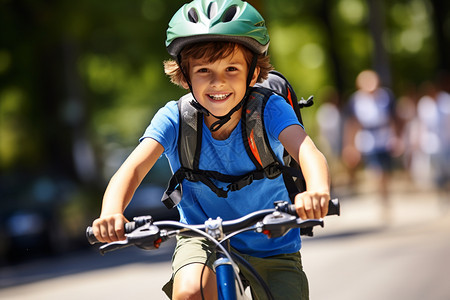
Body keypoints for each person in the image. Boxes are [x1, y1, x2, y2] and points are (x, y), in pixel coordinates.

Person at [91, 1, 331, 299]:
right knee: (190, 292)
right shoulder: (175, 118)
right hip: (201, 236)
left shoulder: (269, 109)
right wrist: (111, 212)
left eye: (232, 68)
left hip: (271, 239)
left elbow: (308, 151)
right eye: (204, 70)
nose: (218, 81)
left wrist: (317, 190)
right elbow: (133, 168)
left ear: (254, 73)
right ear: (185, 75)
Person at [342, 69, 397, 220]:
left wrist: (396, 138)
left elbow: (393, 119)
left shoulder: (385, 97)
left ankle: (386, 197)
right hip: (367, 139)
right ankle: (383, 202)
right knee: (376, 172)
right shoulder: (356, 100)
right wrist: (350, 146)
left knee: (386, 173)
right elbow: (352, 124)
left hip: (385, 138)